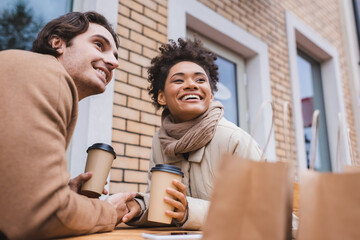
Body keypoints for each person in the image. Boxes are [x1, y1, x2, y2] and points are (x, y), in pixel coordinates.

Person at [0, 11, 137, 239]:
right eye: (99, 45)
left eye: (114, 55)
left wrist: (63, 194)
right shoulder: (47, 74)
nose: (114, 62)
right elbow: (38, 214)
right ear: (58, 43)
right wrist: (109, 212)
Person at [121, 38, 264, 230]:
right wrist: (139, 207)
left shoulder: (234, 139)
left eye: (200, 80)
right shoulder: (160, 141)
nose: (191, 85)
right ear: (161, 96)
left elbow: (266, 213)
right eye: (179, 80)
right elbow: (161, 207)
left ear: (211, 95)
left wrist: (189, 211)